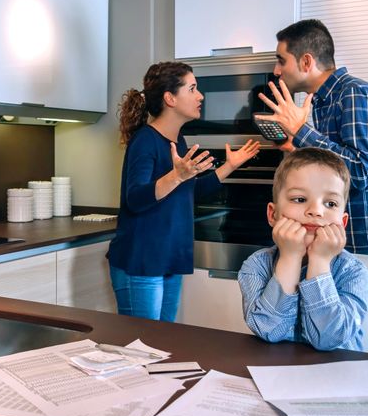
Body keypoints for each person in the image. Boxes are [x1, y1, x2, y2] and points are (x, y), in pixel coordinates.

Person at [106, 61, 260, 322]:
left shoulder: (178, 141)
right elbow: (135, 198)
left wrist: (229, 167)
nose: (200, 96)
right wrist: (176, 176)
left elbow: (188, 192)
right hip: (142, 262)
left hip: (167, 258)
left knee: (162, 346)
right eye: (192, 89)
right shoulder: (145, 141)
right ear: (170, 98)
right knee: (141, 348)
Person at [256, 19, 368, 258]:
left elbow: (359, 171)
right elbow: (335, 167)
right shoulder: (324, 101)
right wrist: (295, 146)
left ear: (306, 61)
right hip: (352, 239)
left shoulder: (354, 93)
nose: (276, 70)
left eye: (281, 60)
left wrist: (301, 130)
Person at [239, 147, 368, 351]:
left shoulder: (353, 272)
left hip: (337, 376)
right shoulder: (256, 265)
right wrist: (290, 258)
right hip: (277, 374)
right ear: (273, 215)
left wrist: (319, 261)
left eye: (330, 203)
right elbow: (268, 330)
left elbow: (329, 339)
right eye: (300, 199)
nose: (316, 211)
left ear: (343, 222)